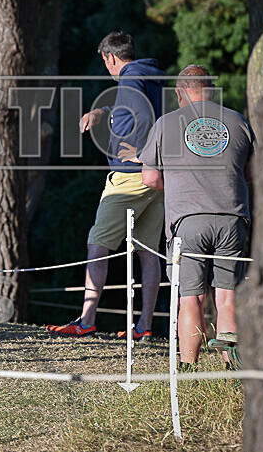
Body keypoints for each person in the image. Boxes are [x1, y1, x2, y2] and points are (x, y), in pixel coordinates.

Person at [135, 65, 254, 370]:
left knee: (191, 298)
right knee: (227, 297)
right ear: (210, 90)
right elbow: (252, 172)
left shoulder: (166, 124)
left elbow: (150, 178)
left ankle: (188, 371)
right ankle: (234, 370)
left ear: (180, 92)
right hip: (232, 218)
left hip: (187, 221)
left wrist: (177, 182)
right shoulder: (237, 120)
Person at [48, 31, 165, 339]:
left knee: (97, 244)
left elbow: (142, 116)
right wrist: (101, 113)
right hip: (156, 177)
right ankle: (144, 327)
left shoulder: (129, 78)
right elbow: (139, 112)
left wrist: (140, 154)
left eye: (104, 62)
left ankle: (86, 321)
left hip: (129, 178)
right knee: (148, 252)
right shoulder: (148, 75)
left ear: (110, 57)